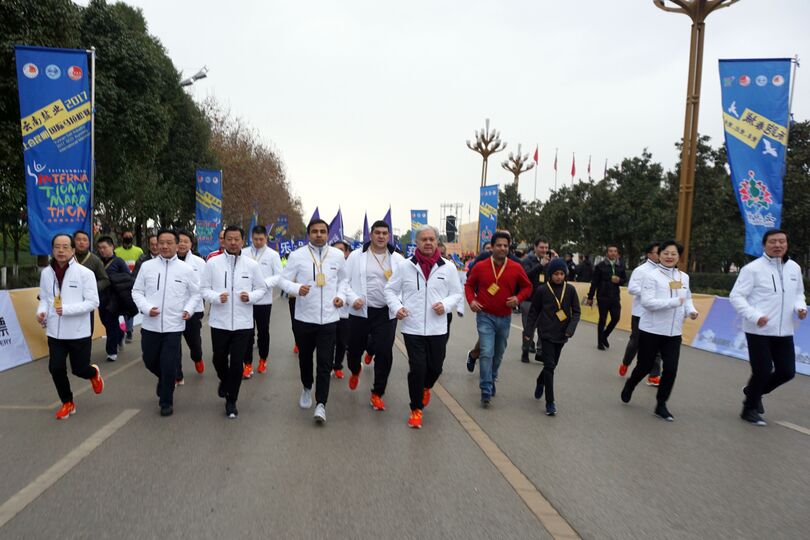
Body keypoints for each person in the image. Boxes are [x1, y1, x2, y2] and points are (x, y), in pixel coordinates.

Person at [385, 225, 462, 428]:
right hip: (412, 327)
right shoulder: (404, 266)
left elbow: (456, 293)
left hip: (437, 328)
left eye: (431, 239)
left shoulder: (448, 267)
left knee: (435, 367)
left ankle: (427, 387)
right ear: (417, 243)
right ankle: (416, 409)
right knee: (417, 368)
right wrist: (397, 307)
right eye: (423, 239)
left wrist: (445, 305)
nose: (428, 242)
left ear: (437, 242)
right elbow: (390, 290)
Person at [730, 229, 806, 426]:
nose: (778, 245)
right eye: (773, 242)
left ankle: (753, 391)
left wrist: (800, 307)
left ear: (787, 244)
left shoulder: (794, 268)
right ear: (764, 245)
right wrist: (755, 316)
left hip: (785, 329)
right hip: (759, 329)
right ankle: (749, 408)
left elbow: (799, 294)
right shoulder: (752, 269)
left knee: (787, 372)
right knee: (763, 370)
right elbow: (736, 296)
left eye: (782, 241)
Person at [279, 219, 347, 424]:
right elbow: (283, 280)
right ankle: (307, 387)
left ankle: (321, 404)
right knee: (305, 358)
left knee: (325, 362)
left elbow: (344, 280)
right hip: (304, 318)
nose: (319, 234)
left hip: (329, 318)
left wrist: (341, 297)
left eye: (323, 231)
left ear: (328, 234)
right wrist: (296, 289)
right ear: (309, 234)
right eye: (315, 231)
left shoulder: (336, 255)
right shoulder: (297, 256)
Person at [621, 240, 698, 421]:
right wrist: (673, 303)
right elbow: (647, 302)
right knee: (645, 366)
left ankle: (661, 404)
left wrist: (691, 310)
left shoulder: (683, 277)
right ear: (659, 255)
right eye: (666, 253)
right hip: (651, 330)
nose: (669, 257)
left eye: (674, 254)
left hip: (674, 333)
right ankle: (630, 384)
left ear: (679, 257)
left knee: (670, 369)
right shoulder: (651, 276)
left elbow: (687, 298)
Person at [200, 226, 267, 419]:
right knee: (217, 359)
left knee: (237, 364)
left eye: (237, 239)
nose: (233, 242)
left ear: (242, 241)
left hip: (243, 323)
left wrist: (251, 296)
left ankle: (231, 401)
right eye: (229, 239)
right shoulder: (213, 264)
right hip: (219, 322)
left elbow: (262, 289)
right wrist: (215, 297)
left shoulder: (252, 265)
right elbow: (203, 289)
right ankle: (226, 380)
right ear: (224, 241)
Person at [131, 230, 200, 417]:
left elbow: (196, 293)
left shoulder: (186, 270)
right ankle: (164, 380)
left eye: (169, 242)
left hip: (174, 325)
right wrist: (146, 308)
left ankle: (166, 401)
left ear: (177, 245)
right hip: (150, 324)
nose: (164, 246)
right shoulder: (147, 267)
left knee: (169, 363)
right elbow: (136, 292)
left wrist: (188, 309)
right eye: (161, 242)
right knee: (149, 360)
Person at [37, 234, 104, 420]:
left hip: (78, 332)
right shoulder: (46, 273)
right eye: (57, 247)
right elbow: (44, 298)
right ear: (52, 250)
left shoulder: (85, 274)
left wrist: (66, 310)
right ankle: (67, 402)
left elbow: (92, 302)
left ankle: (93, 373)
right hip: (55, 332)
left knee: (79, 369)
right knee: (56, 368)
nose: (61, 250)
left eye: (65, 247)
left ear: (73, 250)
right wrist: (41, 312)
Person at [465, 231, 533, 406]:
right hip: (485, 315)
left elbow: (527, 287)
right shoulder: (480, 266)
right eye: (499, 245)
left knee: (499, 352)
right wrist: (472, 301)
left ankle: (492, 377)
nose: (502, 248)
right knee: (487, 351)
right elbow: (469, 285)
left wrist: (518, 298)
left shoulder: (516, 268)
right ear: (492, 247)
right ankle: (486, 388)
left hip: (505, 317)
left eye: (505, 245)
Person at [344, 220, 404, 411]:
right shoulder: (356, 256)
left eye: (384, 233)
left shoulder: (398, 259)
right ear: (371, 235)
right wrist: (353, 298)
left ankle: (377, 393)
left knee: (385, 352)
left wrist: (398, 303)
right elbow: (343, 282)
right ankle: (355, 369)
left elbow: (406, 285)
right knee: (353, 351)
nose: (381, 236)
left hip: (385, 313)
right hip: (360, 311)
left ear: (389, 236)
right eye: (377, 233)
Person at [528, 258, 581, 416]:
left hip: (563, 333)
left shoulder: (570, 290)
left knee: (552, 365)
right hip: (546, 333)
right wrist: (528, 332)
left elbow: (577, 312)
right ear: (550, 275)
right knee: (550, 366)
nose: (559, 277)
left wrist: (570, 329)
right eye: (556, 274)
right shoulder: (542, 290)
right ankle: (550, 402)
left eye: (561, 274)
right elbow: (534, 312)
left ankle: (540, 381)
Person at [242, 225, 283, 379]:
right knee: (247, 332)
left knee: (263, 332)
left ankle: (263, 359)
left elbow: (279, 275)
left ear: (266, 238)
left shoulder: (273, 255)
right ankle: (247, 364)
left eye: (261, 239)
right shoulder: (244, 252)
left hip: (264, 300)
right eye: (255, 239)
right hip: (245, 299)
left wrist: (264, 284)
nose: (258, 242)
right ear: (251, 238)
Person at [619, 242, 663, 385]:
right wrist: (649, 292)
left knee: (656, 345)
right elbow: (632, 289)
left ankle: (654, 375)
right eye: (658, 252)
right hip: (641, 313)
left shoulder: (665, 271)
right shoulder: (641, 270)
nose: (661, 255)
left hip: (657, 312)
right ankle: (626, 363)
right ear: (649, 254)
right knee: (636, 342)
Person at [176, 230, 206, 381]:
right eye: (179, 241)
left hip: (193, 310)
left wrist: (190, 306)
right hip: (173, 310)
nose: (181, 244)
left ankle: (198, 357)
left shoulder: (199, 263)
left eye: (185, 241)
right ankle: (177, 375)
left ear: (191, 245)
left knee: (193, 342)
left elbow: (203, 286)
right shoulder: (168, 261)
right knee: (174, 344)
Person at [96, 236, 131, 362]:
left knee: (110, 323)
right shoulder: (97, 261)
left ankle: (111, 352)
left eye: (104, 247)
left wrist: (114, 280)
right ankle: (121, 334)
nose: (102, 250)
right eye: (99, 248)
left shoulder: (119, 262)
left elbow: (128, 277)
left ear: (112, 247)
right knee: (106, 322)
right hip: (101, 298)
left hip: (115, 298)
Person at [586, 245, 627, 350]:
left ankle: (605, 335)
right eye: (610, 251)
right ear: (607, 253)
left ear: (617, 253)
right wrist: (590, 297)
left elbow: (624, 280)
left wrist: (619, 280)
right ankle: (600, 342)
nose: (613, 253)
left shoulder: (620, 266)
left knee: (616, 318)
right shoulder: (600, 266)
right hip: (603, 296)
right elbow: (594, 282)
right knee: (602, 320)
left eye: (615, 251)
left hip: (615, 297)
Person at [73, 230, 110, 334]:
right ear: (73, 242)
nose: (81, 242)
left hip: (87, 301)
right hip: (69, 301)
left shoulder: (95, 260)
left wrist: (91, 289)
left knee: (87, 330)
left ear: (89, 243)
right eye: (78, 240)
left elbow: (105, 280)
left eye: (84, 240)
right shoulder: (68, 258)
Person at [520, 238, 550, 362]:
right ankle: (525, 351)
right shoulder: (527, 260)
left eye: (546, 248)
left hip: (545, 300)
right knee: (529, 328)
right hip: (529, 299)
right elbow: (526, 275)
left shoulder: (549, 261)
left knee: (544, 327)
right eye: (541, 247)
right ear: (535, 247)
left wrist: (556, 262)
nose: (544, 250)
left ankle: (540, 352)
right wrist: (540, 265)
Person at [115, 230, 144, 343]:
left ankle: (129, 330)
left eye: (130, 235)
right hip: (119, 284)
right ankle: (120, 331)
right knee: (118, 309)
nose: (128, 237)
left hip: (133, 283)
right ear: (122, 237)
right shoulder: (116, 251)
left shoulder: (138, 251)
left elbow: (141, 267)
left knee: (129, 307)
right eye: (126, 235)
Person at [331, 240, 352, 380]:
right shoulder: (327, 265)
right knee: (328, 342)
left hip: (345, 313)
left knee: (341, 343)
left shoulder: (352, 267)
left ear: (347, 252)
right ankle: (327, 366)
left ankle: (337, 366)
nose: (338, 253)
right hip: (329, 312)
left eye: (341, 250)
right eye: (335, 249)